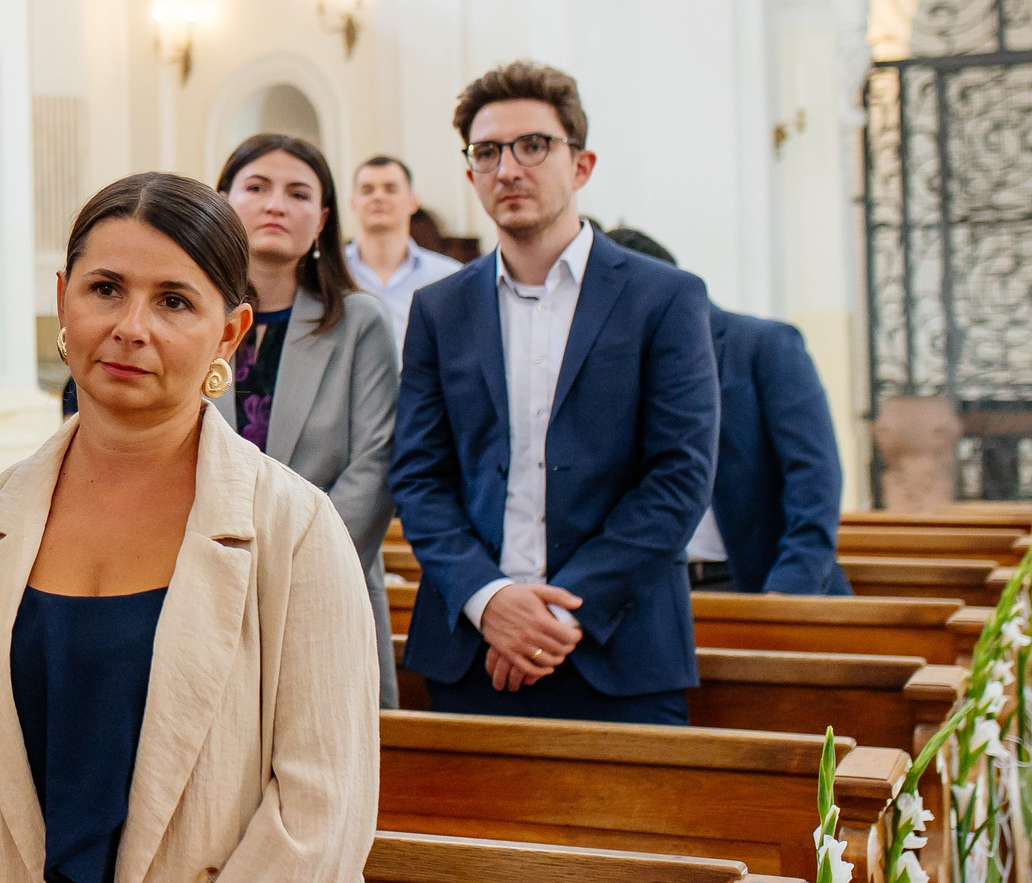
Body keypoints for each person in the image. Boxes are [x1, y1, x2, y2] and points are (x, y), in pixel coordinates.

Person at [0, 172, 389, 883]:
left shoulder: (293, 527)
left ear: (230, 331)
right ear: (63, 302)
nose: (132, 327)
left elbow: (323, 803)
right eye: (106, 289)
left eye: (175, 301)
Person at [391, 62, 717, 726]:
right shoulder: (439, 308)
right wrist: (489, 599)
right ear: (471, 173)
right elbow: (419, 475)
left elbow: (679, 476)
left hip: (619, 649)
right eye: (488, 151)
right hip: (471, 651)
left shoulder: (665, 298)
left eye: (533, 145)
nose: (508, 167)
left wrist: (558, 610)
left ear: (582, 164)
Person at [215, 135, 400, 708]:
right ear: (223, 202)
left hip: (327, 586)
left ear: (320, 220)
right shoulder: (188, 316)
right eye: (256, 187)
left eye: (297, 193)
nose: (275, 205)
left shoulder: (359, 322)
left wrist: (295, 574)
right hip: (205, 588)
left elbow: (376, 464)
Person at [601, 227, 847, 596]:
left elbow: (814, 477)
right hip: (661, 595)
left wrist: (792, 587)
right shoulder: (615, 366)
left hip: (760, 584)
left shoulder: (763, 346)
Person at [345, 155, 461, 357]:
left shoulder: (449, 277)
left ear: (412, 202)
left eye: (390, 189)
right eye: (367, 190)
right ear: (353, 203)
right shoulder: (330, 274)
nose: (378, 197)